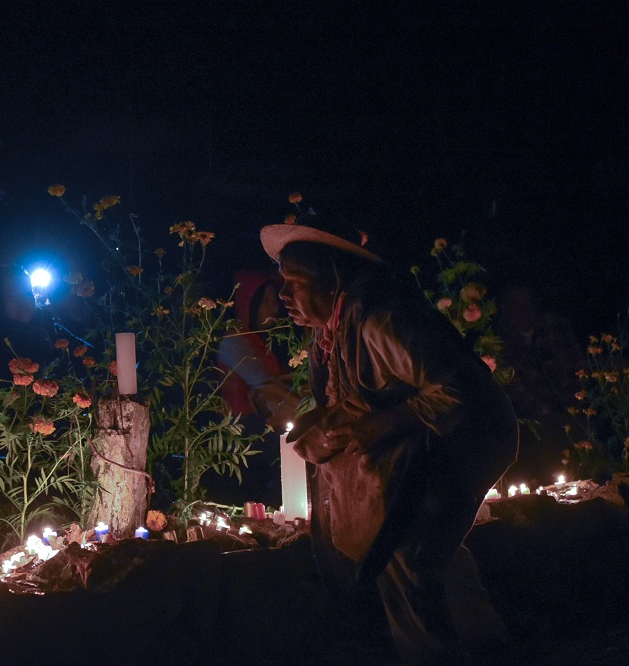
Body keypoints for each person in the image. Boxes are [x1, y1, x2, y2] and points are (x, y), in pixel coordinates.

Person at [261, 217, 518, 664]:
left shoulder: (381, 319)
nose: (283, 295)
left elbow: (459, 389)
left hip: (471, 437)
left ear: (332, 279)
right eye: (282, 282)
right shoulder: (333, 330)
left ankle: (436, 655)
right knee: (430, 548)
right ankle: (486, 645)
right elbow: (358, 399)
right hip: (428, 446)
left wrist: (374, 428)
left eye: (294, 282)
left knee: (406, 551)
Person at [498, 282, 584, 485]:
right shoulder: (500, 341)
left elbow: (576, 369)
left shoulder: (554, 327)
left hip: (572, 411)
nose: (522, 311)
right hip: (536, 422)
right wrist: (551, 416)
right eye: (515, 306)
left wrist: (575, 411)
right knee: (543, 442)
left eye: (527, 304)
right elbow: (516, 389)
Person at [218, 268, 301, 431]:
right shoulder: (234, 339)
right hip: (243, 426)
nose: (275, 309)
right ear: (251, 302)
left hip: (262, 419)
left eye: (275, 302)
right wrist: (304, 408)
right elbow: (263, 383)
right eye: (267, 301)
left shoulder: (255, 338)